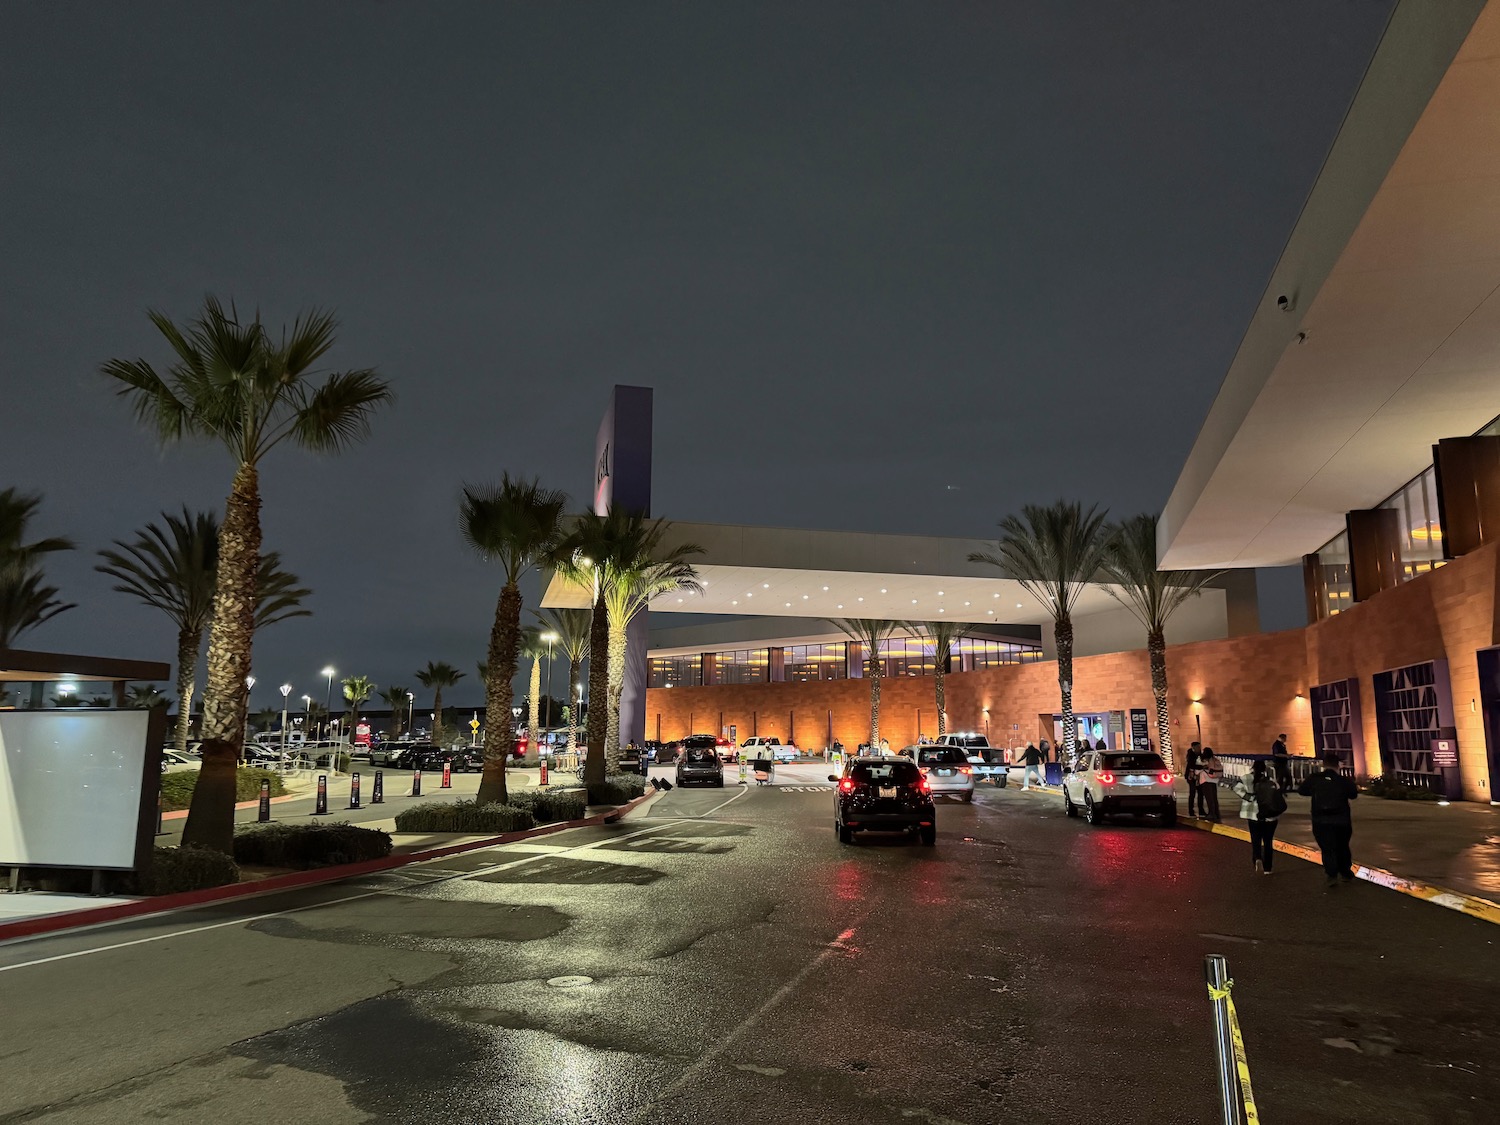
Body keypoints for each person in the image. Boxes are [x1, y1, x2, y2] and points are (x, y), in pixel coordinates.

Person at [1299, 752, 1359, 886]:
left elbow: (1302, 791)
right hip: (1341, 820)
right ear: (1338, 765)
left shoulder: (1314, 779)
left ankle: (1331, 874)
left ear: (1323, 765)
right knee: (1342, 846)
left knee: (1327, 848)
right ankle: (1345, 872)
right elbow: (1353, 795)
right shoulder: (1343, 781)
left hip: (1321, 820)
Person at [1230, 761, 1287, 874]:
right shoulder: (1271, 781)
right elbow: (1278, 793)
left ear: (1253, 768)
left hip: (1253, 815)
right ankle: (1268, 868)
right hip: (1269, 816)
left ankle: (1257, 858)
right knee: (1268, 842)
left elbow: (1236, 788)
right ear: (1264, 769)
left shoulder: (1246, 778)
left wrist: (1249, 797)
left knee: (1255, 840)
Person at [1196, 748, 1223, 822]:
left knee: (1209, 799)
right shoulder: (1215, 759)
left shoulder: (1202, 760)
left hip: (1205, 781)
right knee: (1214, 798)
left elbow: (1197, 771)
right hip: (1214, 780)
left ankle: (1211, 814)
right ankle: (1216, 814)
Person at [1184, 743, 1202, 818]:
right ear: (1193, 747)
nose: (1199, 748)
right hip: (1191, 777)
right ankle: (1191, 811)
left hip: (1198, 776)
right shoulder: (1191, 755)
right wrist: (1201, 766)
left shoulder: (1199, 754)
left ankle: (1201, 810)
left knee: (1200, 793)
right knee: (1192, 793)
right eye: (1198, 747)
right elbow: (1191, 765)